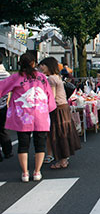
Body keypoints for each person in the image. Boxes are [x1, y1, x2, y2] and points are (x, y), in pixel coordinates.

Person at [0, 53, 56, 182]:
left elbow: (1, 88)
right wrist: (49, 109)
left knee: (23, 145)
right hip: (40, 114)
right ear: (33, 63)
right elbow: (49, 97)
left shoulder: (16, 77)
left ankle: (25, 173)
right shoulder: (42, 77)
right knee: (40, 144)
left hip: (23, 115)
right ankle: (37, 172)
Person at [38, 57, 81, 169]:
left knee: (57, 134)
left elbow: (51, 96)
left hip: (57, 108)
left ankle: (62, 160)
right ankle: (64, 159)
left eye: (43, 65)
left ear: (49, 66)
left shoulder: (51, 79)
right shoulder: (57, 77)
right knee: (64, 132)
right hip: (63, 107)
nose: (41, 68)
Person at [0, 55, 13, 162]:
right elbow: (9, 91)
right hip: (3, 105)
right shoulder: (6, 74)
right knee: (3, 129)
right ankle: (8, 151)